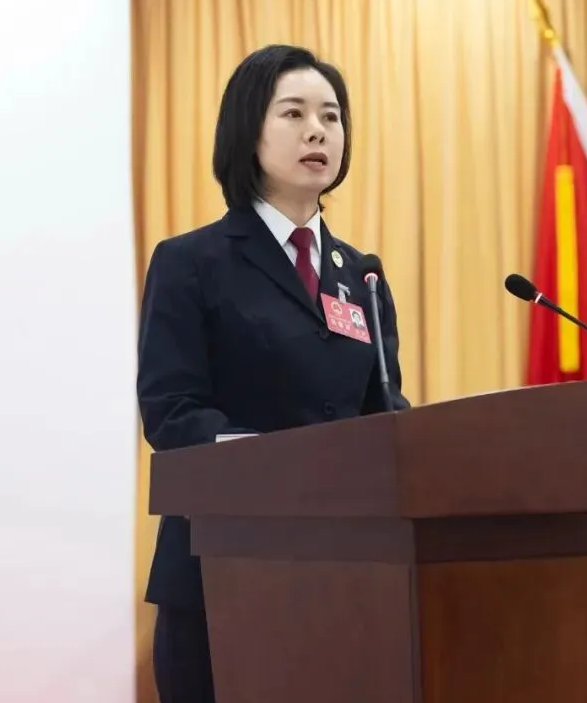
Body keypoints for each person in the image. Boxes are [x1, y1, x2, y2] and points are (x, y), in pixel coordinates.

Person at [136, 44, 410, 703]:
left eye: (331, 116)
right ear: (247, 131)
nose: (319, 131)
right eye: (294, 113)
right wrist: (283, 467)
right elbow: (173, 413)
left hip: (346, 578)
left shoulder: (363, 276)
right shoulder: (192, 263)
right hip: (221, 572)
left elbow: (385, 418)